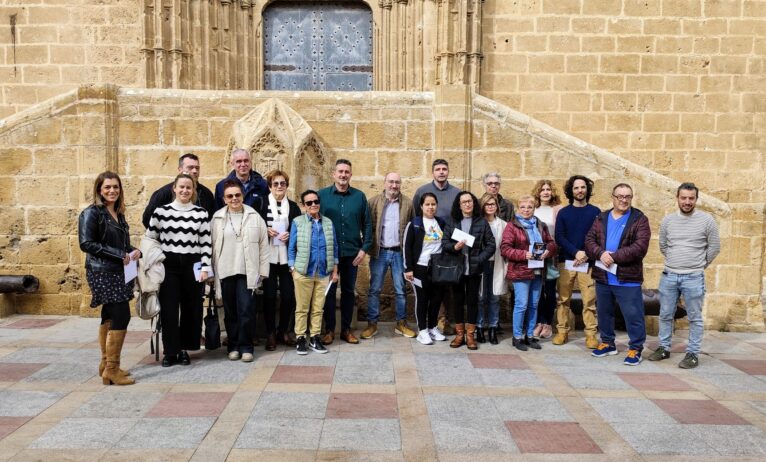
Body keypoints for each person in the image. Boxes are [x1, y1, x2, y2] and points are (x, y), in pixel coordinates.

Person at [648, 182, 720, 369]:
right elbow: (663, 246)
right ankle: (664, 348)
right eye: (684, 198)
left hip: (694, 277)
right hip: (669, 275)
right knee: (665, 314)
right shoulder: (668, 221)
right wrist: (676, 261)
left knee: (695, 317)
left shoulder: (707, 220)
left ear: (696, 199)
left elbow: (714, 247)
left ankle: (693, 354)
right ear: (677, 198)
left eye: (691, 198)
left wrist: (700, 264)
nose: (687, 202)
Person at [79, 171, 140, 386]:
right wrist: (119, 255)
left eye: (115, 187)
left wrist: (133, 251)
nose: (112, 191)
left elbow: (120, 245)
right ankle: (112, 369)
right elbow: (87, 243)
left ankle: (106, 364)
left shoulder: (118, 214)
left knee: (110, 314)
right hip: (102, 271)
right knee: (122, 314)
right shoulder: (92, 213)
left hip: (119, 270)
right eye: (107, 187)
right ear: (99, 190)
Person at [146, 173, 212, 367]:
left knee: (191, 308)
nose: (184, 190)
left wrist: (205, 268)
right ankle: (170, 350)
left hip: (193, 264)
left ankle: (184, 349)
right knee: (169, 309)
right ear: (174, 188)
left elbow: (206, 243)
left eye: (188, 188)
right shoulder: (161, 212)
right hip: (169, 264)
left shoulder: (201, 213)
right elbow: (150, 238)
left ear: (193, 191)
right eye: (181, 187)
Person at [585, 183, 651, 366]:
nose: (623, 200)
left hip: (627, 278)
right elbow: (589, 240)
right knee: (604, 312)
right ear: (613, 197)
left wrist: (613, 257)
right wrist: (600, 254)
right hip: (603, 276)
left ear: (631, 198)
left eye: (627, 196)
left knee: (633, 315)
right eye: (620, 196)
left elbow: (639, 248)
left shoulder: (639, 219)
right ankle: (607, 343)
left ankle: (636, 348)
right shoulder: (601, 217)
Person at [211, 180, 271, 362]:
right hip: (225, 270)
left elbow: (263, 245)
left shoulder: (254, 217)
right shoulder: (217, 218)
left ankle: (246, 346)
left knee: (246, 310)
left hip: (247, 271)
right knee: (230, 312)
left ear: (242, 196)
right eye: (230, 196)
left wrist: (263, 271)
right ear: (224, 199)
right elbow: (211, 247)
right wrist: (211, 273)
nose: (234, 198)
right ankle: (233, 345)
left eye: (237, 195)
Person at [318, 159, 372, 345]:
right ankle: (330, 330)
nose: (343, 175)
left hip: (351, 253)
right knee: (329, 291)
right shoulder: (322, 195)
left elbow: (367, 224)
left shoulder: (359, 196)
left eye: (346, 172)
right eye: (340, 171)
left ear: (350, 174)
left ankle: (347, 330)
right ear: (334, 174)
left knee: (349, 291)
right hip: (328, 253)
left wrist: (364, 249)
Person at [362, 172, 416, 340]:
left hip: (399, 253)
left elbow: (412, 229)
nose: (394, 185)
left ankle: (401, 324)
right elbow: (366, 226)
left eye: (397, 182)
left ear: (401, 184)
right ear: (384, 183)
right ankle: (372, 324)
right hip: (380, 252)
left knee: (401, 290)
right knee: (374, 289)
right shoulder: (373, 202)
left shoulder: (408, 203)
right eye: (391, 182)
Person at [501, 195, 556, 351]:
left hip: (538, 270)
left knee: (533, 304)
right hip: (521, 271)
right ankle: (517, 337)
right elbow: (505, 249)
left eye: (529, 207)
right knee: (521, 304)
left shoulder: (540, 224)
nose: (526, 210)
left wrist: (547, 251)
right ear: (518, 208)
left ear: (534, 208)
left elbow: (551, 243)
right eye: (523, 207)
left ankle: (530, 335)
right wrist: (523, 254)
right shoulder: (512, 226)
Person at [412, 159, 461, 335]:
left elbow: (459, 220)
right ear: (433, 172)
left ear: (448, 171)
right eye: (438, 169)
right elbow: (416, 219)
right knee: (424, 296)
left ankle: (441, 323)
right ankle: (426, 327)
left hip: (447, 251)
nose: (441, 172)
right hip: (424, 259)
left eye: (444, 169)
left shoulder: (456, 193)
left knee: (443, 291)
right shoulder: (422, 191)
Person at [442, 191, 495, 350]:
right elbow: (444, 243)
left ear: (474, 203)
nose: (467, 204)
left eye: (470, 201)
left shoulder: (481, 222)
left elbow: (491, 245)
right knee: (457, 301)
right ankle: (459, 335)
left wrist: (479, 259)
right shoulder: (452, 221)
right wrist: (454, 247)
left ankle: (470, 336)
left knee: (472, 302)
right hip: (457, 269)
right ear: (459, 205)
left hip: (474, 269)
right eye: (464, 202)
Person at [288, 190, 339, 355]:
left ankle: (315, 337)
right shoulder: (297, 222)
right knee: (302, 308)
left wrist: (335, 270)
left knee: (318, 308)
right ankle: (300, 338)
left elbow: (334, 248)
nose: (313, 205)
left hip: (323, 272)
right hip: (303, 272)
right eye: (309, 203)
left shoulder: (328, 223)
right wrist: (292, 268)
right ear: (303, 206)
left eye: (315, 201)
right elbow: (291, 247)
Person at [553, 175, 601, 348]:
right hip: (567, 261)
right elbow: (559, 236)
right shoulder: (564, 213)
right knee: (563, 299)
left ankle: (591, 335)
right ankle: (562, 332)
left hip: (588, 263)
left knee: (589, 300)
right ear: (571, 191)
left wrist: (586, 254)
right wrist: (575, 252)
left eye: (582, 187)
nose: (580, 190)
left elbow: (597, 236)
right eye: (576, 188)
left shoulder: (595, 212)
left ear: (587, 190)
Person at [257, 170, 302, 350]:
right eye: (275, 183)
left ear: (287, 186)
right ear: (269, 186)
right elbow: (253, 227)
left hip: (286, 258)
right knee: (268, 296)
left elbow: (299, 229)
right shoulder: (260, 203)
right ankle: (270, 333)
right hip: (267, 257)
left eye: (282, 183)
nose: (279, 187)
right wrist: (265, 230)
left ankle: (283, 330)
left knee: (288, 295)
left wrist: (291, 235)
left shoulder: (293, 206)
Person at [403, 193, 448, 345]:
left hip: (438, 268)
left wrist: (466, 241)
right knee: (422, 299)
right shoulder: (415, 224)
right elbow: (407, 247)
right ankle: (422, 331)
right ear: (421, 206)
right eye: (427, 204)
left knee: (436, 299)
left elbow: (450, 239)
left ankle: (432, 327)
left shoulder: (441, 223)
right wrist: (408, 268)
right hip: (420, 268)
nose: (430, 207)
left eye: (433, 204)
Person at [142, 153, 216, 228]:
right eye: (190, 167)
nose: (195, 171)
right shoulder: (164, 193)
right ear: (180, 170)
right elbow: (147, 220)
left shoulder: (207, 194)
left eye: (197, 168)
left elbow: (210, 222)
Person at [532, 180, 563, 339]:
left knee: (550, 291)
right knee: (537, 291)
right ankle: (538, 322)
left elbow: (560, 232)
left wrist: (552, 250)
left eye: (548, 189)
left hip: (551, 255)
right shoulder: (533, 208)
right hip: (535, 255)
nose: (545, 192)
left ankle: (547, 323)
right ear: (538, 192)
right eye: (542, 189)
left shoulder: (557, 209)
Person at [476, 193, 507, 345]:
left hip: (497, 263)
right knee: (481, 298)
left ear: (497, 206)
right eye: (487, 204)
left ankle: (493, 327)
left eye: (492, 204)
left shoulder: (503, 224)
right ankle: (480, 327)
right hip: (481, 263)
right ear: (483, 206)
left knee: (494, 297)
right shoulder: (478, 223)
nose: (490, 207)